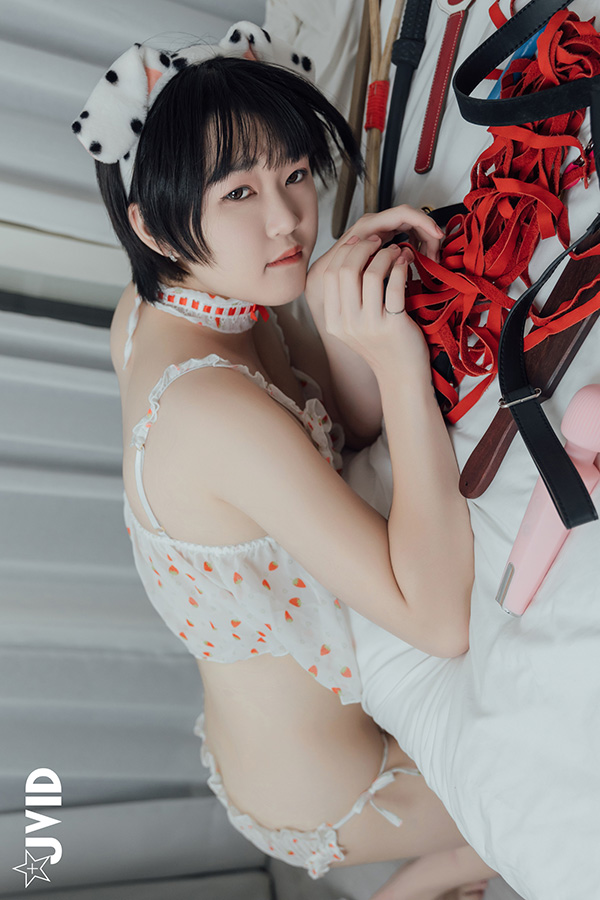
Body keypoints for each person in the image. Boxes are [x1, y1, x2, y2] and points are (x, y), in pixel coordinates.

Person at [72, 23, 497, 900]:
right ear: (152, 224)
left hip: (271, 736)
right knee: (542, 817)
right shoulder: (210, 411)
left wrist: (341, 290)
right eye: (239, 191)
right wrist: (398, 363)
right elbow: (437, 620)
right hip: (337, 791)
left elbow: (335, 423)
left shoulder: (170, 302)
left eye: (295, 173)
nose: (287, 220)